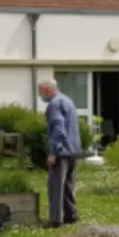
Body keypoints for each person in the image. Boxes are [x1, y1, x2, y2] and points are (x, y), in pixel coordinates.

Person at [39, 79, 82, 228]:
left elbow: (58, 129)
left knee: (56, 185)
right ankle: (71, 216)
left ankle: (56, 220)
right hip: (73, 149)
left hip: (61, 150)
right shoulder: (67, 100)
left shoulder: (54, 105)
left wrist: (53, 152)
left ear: (48, 91)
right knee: (68, 184)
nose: (40, 95)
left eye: (41, 92)